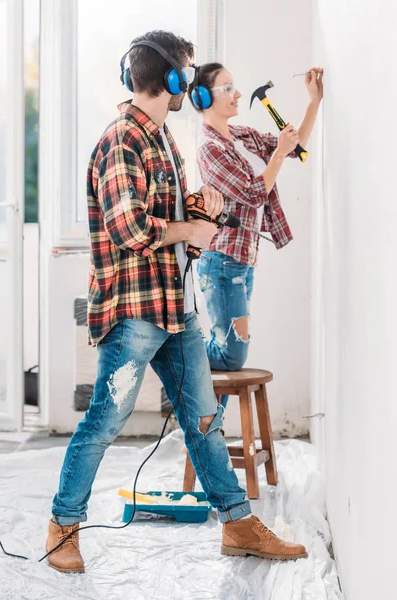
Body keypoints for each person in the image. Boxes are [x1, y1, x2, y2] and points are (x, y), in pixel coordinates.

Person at [45, 31, 307, 574]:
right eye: (186, 72)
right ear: (172, 79)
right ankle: (62, 528)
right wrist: (189, 223)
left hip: (175, 306)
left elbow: (167, 212)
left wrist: (198, 206)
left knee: (204, 420)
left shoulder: (162, 136)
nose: (188, 81)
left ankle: (237, 524)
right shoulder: (123, 139)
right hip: (134, 312)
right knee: (104, 422)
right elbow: (129, 227)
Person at [188, 64, 323, 409]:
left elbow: (294, 147)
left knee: (228, 353)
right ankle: (175, 350)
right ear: (203, 97)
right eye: (227, 88)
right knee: (232, 356)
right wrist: (277, 152)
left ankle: (209, 435)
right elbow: (252, 192)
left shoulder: (241, 135)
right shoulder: (209, 148)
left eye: (235, 86)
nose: (237, 94)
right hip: (221, 263)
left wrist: (313, 102)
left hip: (243, 262)